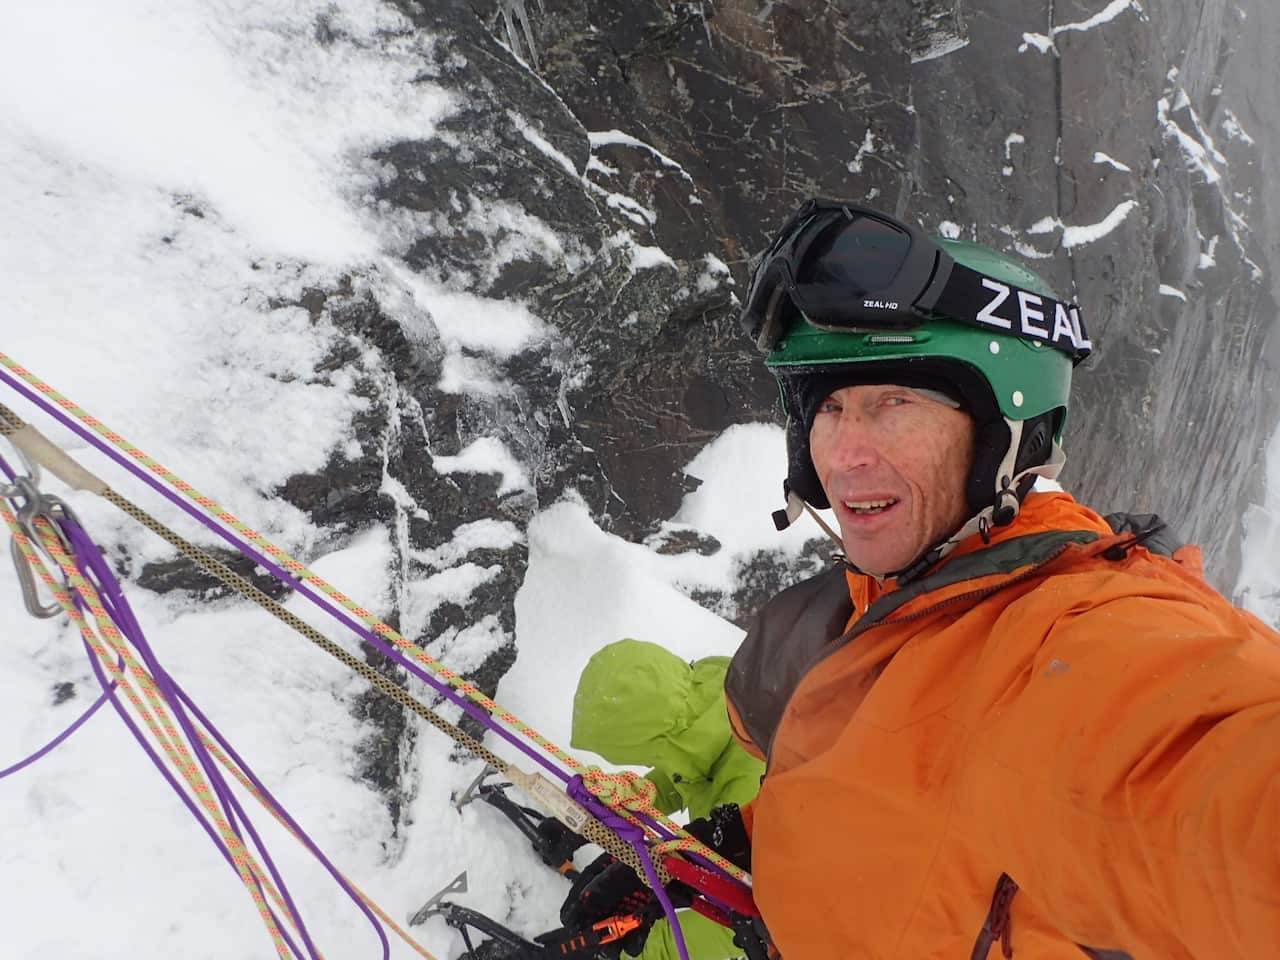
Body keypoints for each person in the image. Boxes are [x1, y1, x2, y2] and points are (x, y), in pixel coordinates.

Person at [563, 199, 1280, 959]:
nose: (844, 455)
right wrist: (733, 846)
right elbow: (892, 791)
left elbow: (1206, 789)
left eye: (894, 402)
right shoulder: (899, 605)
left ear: (1006, 433)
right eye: (830, 407)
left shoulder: (1071, 643)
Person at [567, 638, 764, 960]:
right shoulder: (714, 707)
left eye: (648, 755)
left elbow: (740, 921)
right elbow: (687, 773)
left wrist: (643, 948)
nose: (649, 764)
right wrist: (608, 814)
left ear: (663, 740)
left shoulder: (747, 793)